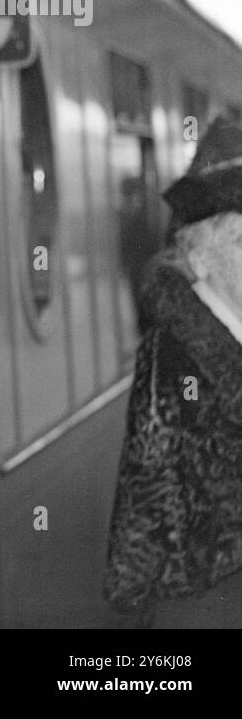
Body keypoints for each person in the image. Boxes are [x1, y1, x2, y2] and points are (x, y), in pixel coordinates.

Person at [104, 116, 242, 627]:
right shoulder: (177, 354)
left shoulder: (227, 325)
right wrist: (136, 591)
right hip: (208, 592)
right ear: (201, 256)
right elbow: (149, 476)